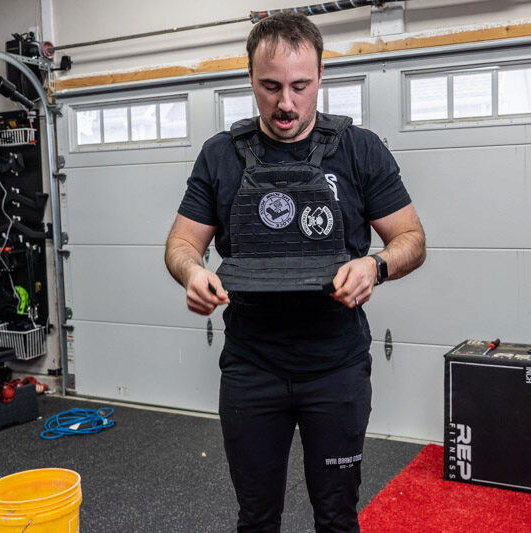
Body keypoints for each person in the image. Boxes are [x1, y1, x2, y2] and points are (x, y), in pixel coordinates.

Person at [165, 12, 425, 533]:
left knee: (336, 516)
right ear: (250, 77)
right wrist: (191, 273)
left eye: (300, 86)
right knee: (257, 517)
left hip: (336, 368)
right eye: (271, 87)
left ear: (321, 76)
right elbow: (180, 243)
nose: (286, 104)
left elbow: (411, 241)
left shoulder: (360, 149)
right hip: (252, 369)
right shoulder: (220, 156)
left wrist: (375, 264)